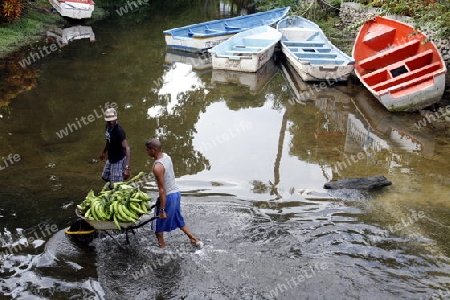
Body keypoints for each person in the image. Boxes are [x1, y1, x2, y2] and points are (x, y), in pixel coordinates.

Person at [146, 138, 200, 248]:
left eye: (147, 150)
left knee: (158, 228)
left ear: (152, 150)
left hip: (168, 196)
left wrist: (162, 210)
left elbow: (162, 189)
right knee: (178, 219)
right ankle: (194, 239)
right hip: (176, 194)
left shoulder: (157, 167)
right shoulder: (166, 156)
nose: (146, 152)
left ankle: (162, 249)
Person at [100, 108, 131, 188]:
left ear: (116, 118)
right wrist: (104, 152)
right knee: (105, 176)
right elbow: (108, 140)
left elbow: (127, 148)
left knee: (115, 185)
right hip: (111, 157)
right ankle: (116, 182)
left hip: (118, 159)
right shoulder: (108, 126)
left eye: (112, 120)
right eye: (108, 120)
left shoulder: (119, 131)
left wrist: (127, 168)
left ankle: (116, 191)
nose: (111, 122)